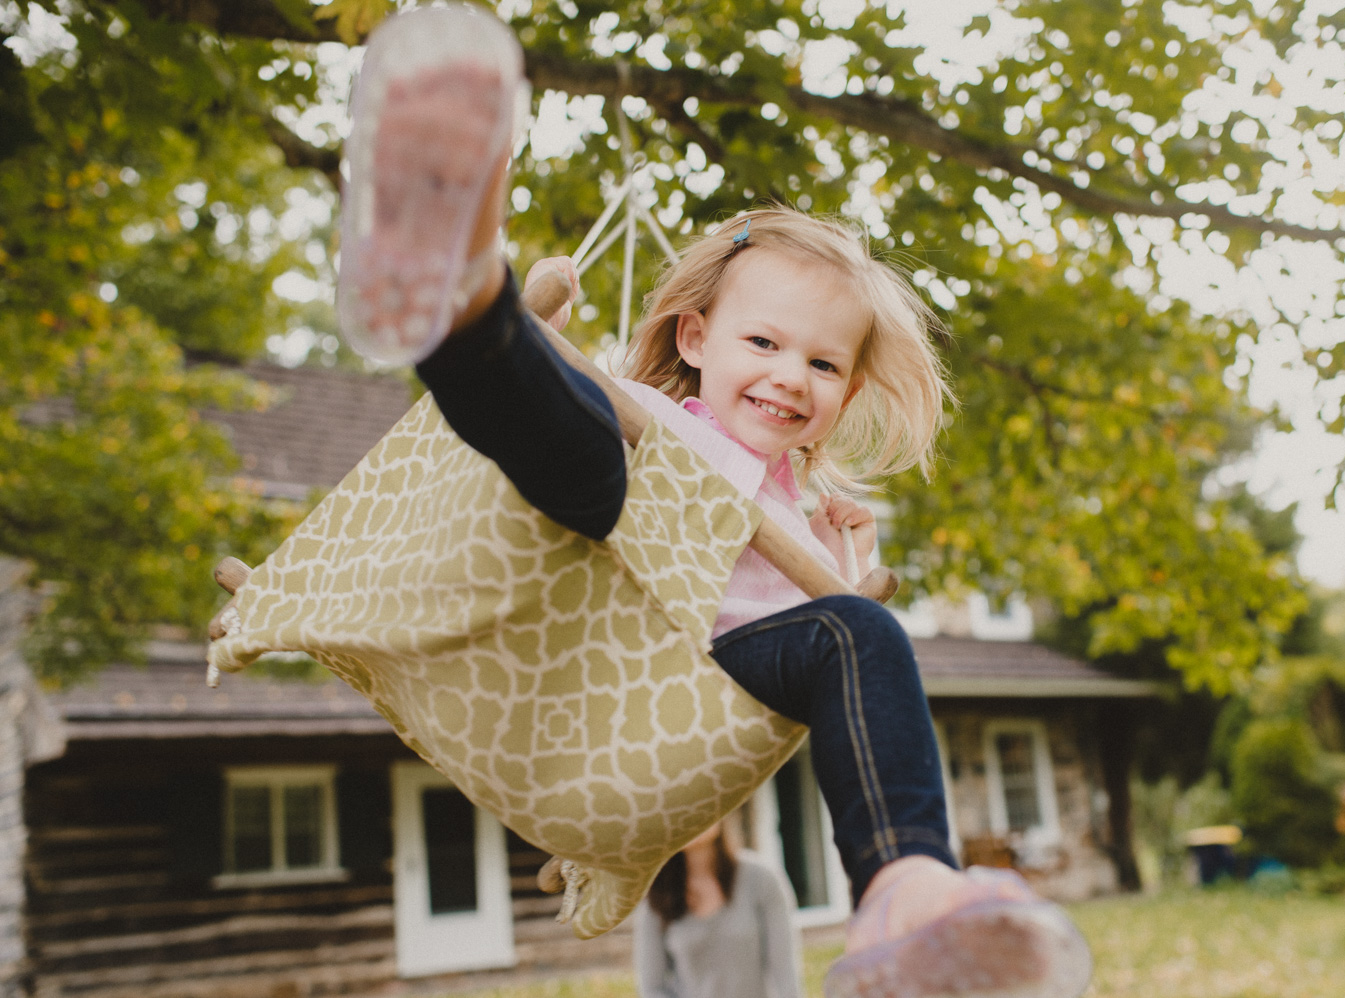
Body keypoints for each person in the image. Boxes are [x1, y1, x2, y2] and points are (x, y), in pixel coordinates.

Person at [335, 6, 1092, 996]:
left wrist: (853, 574)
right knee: (582, 446)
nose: (791, 376)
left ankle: (904, 884)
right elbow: (589, 448)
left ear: (845, 395)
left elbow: (833, 640)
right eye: (764, 343)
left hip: (720, 668)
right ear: (695, 338)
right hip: (622, 606)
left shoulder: (804, 503)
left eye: (823, 362)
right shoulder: (661, 416)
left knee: (863, 634)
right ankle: (459, 296)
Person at [634, 821, 803, 998]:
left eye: (701, 806)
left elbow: (786, 975)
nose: (693, 819)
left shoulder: (761, 879)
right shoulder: (658, 894)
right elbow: (652, 989)